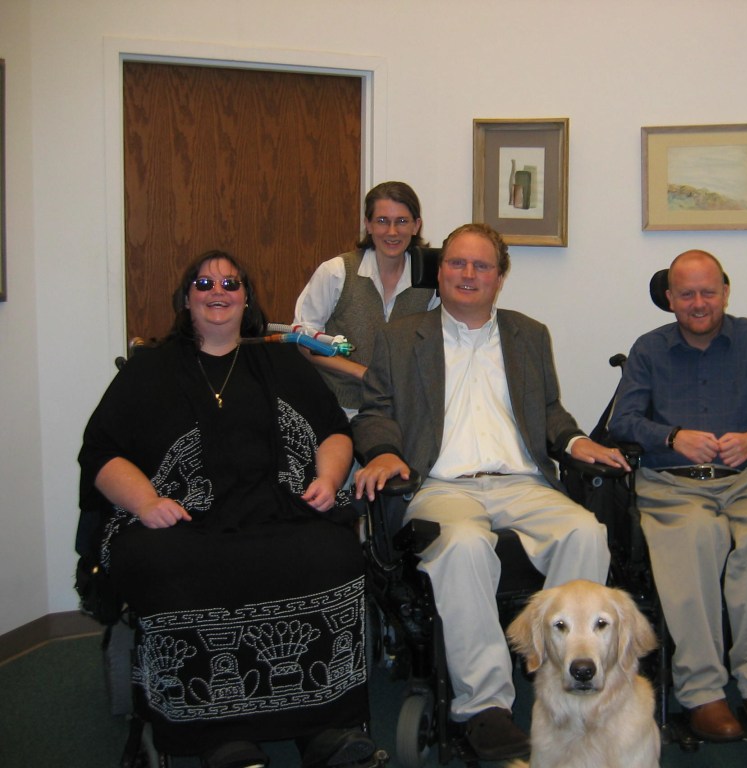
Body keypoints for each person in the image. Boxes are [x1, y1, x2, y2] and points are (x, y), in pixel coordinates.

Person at [77, 250, 378, 768]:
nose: (218, 292)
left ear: (246, 298)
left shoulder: (282, 360)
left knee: (332, 553)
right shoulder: (150, 368)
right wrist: (146, 502)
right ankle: (217, 738)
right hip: (183, 521)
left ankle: (323, 727)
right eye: (204, 283)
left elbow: (334, 431)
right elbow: (101, 452)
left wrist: (328, 478)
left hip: (278, 510)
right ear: (187, 299)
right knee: (171, 567)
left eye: (230, 283)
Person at [352, 223, 630, 761]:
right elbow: (375, 412)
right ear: (441, 270)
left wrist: (575, 440)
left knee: (586, 533)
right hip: (442, 484)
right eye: (457, 263)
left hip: (522, 481)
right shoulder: (399, 337)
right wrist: (382, 450)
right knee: (463, 545)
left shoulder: (529, 334)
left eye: (482, 266)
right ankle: (485, 707)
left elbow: (549, 411)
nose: (468, 274)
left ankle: (568, 688)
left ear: (499, 278)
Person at [608, 249, 747, 750]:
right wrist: (673, 436)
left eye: (708, 292)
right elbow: (622, 423)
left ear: (725, 291)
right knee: (696, 539)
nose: (699, 303)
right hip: (673, 485)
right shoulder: (649, 350)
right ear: (670, 298)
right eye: (687, 293)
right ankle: (702, 692)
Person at [293, 181, 440, 415]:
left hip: (399, 410)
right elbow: (302, 341)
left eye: (402, 221)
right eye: (382, 221)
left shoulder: (430, 281)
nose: (392, 232)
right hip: (337, 407)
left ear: (416, 226)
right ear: (368, 225)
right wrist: (360, 372)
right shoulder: (337, 272)